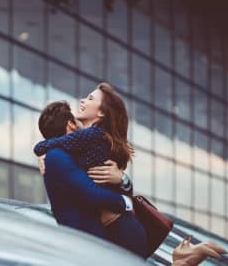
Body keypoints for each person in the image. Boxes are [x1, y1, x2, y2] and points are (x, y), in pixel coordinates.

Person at [34, 83, 147, 258]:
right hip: (112, 233)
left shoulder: (92, 137)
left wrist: (124, 183)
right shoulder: (81, 147)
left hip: (122, 229)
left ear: (101, 112)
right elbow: (91, 190)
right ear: (71, 125)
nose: (82, 100)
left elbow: (96, 190)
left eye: (90, 98)